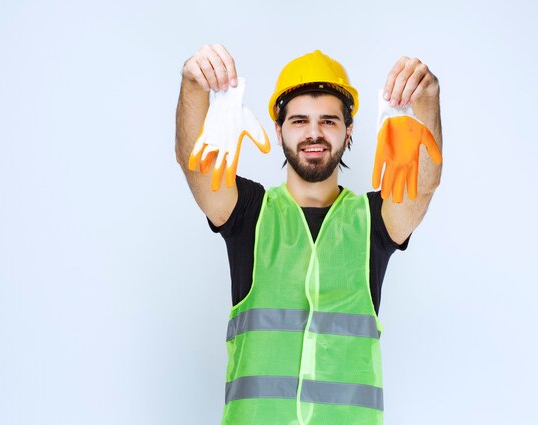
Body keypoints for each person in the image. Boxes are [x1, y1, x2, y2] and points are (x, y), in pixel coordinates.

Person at [175, 43, 443, 425]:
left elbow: (423, 187)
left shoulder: (374, 221)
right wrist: (193, 85)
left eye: (328, 121)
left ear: (349, 132)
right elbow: (196, 168)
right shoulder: (250, 213)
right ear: (278, 129)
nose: (313, 133)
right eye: (299, 120)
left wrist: (427, 101)